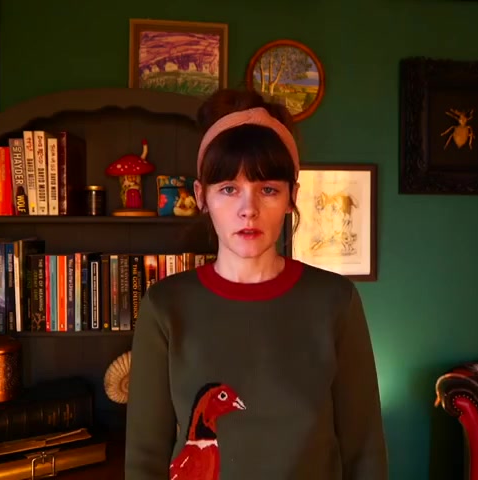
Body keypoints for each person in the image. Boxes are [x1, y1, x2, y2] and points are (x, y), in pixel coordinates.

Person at [124, 89, 388, 480]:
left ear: (292, 197)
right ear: (201, 196)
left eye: (268, 189)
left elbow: (365, 451)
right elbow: (145, 457)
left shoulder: (336, 301)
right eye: (228, 189)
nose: (248, 209)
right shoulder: (164, 306)